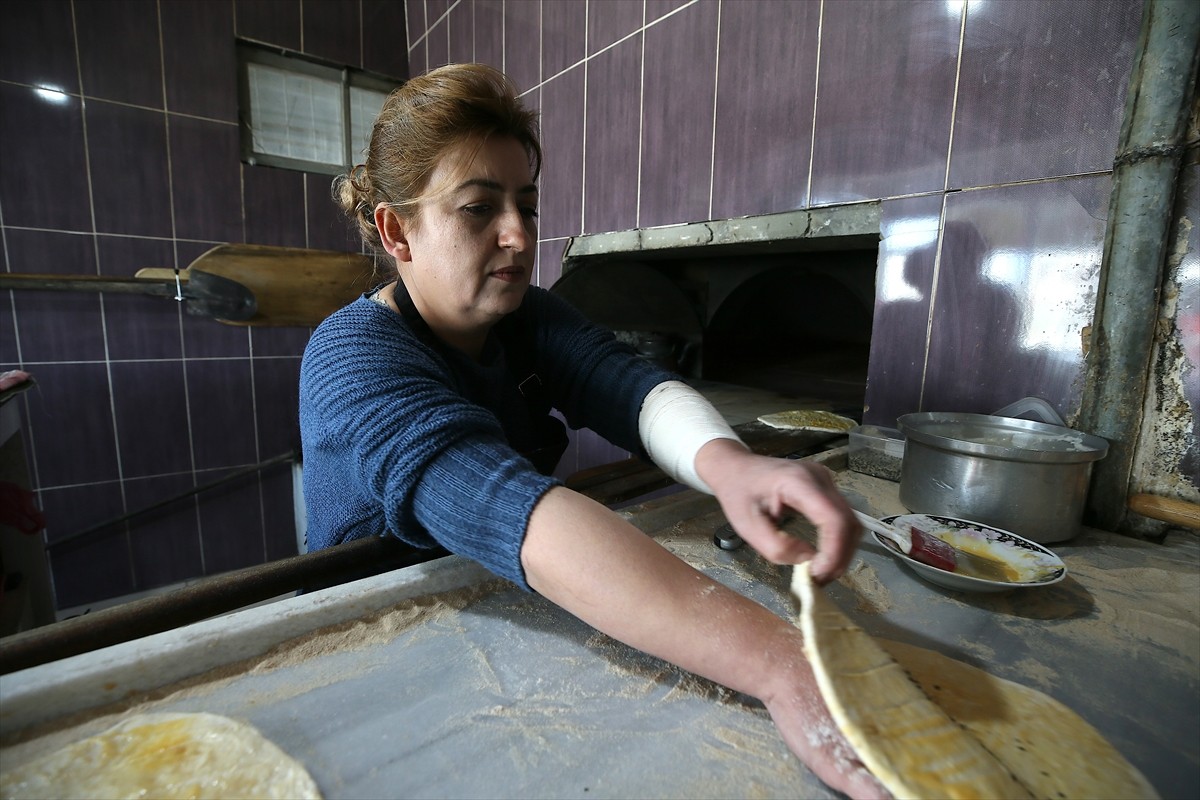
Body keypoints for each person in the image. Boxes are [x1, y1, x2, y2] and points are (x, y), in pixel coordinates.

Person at [300, 63, 884, 799]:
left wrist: (732, 467)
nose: (518, 235)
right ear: (398, 230)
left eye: (527, 206)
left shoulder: (526, 318)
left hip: (495, 602)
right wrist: (782, 664)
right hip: (369, 649)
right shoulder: (352, 357)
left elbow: (627, 387)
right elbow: (498, 501)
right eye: (479, 209)